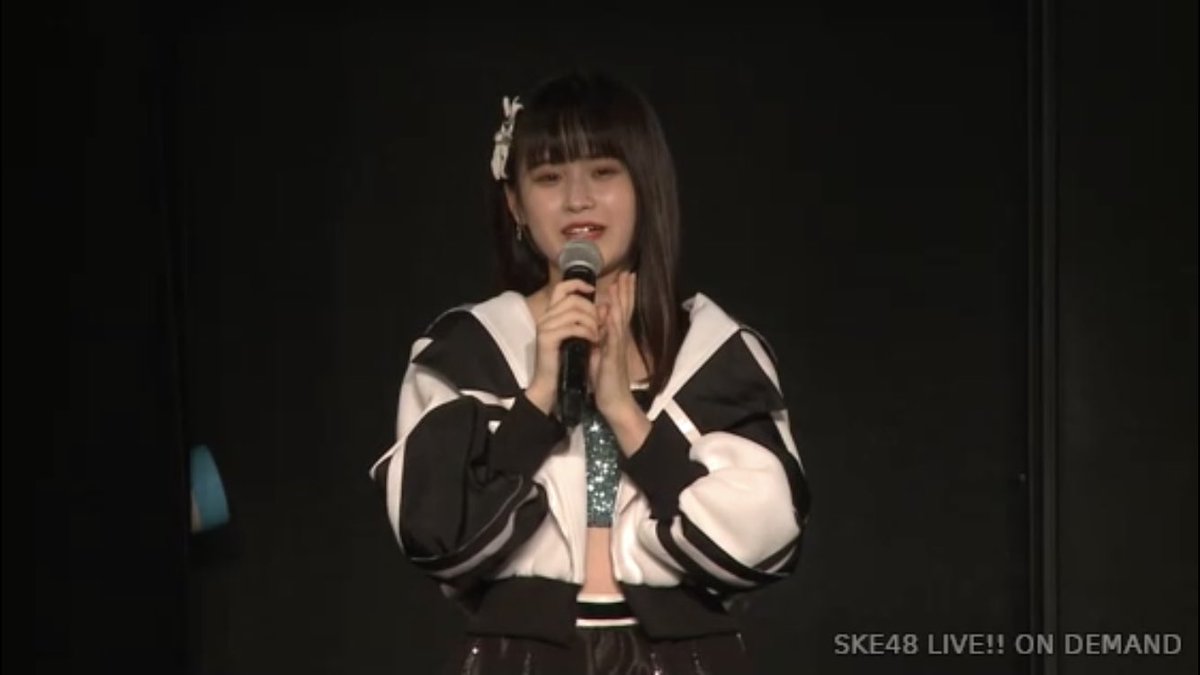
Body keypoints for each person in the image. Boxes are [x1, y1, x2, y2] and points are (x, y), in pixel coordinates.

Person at [369, 69, 811, 674]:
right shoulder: (467, 348)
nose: (577, 199)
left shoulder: (716, 351)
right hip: (519, 659)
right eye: (549, 177)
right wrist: (540, 396)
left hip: (688, 657)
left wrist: (625, 412)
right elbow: (439, 534)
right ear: (515, 203)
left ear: (645, 186)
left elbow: (762, 540)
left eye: (603, 172)